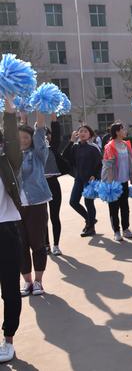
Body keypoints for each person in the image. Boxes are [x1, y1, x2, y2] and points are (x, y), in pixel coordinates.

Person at [17, 110, 52, 297]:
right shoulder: (10, 156)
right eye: (19, 137)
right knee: (20, 245)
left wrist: (40, 108)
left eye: (26, 137)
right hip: (15, 207)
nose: (23, 140)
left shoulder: (38, 154)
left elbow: (39, 133)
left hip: (37, 203)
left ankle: (38, 282)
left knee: (37, 244)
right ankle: (27, 281)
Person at [0, 96, 24, 363]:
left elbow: (13, 140)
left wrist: (9, 107)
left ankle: (8, 340)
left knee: (9, 288)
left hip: (6, 229)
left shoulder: (8, 162)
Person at [63, 125, 102, 237]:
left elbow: (100, 164)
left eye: (85, 131)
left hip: (89, 180)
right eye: (81, 131)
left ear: (89, 134)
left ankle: (91, 228)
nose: (83, 133)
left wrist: (95, 175)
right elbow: (65, 156)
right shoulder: (75, 147)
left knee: (89, 203)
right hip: (79, 179)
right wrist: (71, 141)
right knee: (73, 202)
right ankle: (90, 220)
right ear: (77, 134)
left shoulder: (94, 147)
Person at [102, 122, 132, 242]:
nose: (125, 131)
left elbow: (130, 162)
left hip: (124, 181)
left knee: (125, 206)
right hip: (113, 183)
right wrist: (110, 183)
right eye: (123, 129)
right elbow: (108, 166)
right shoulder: (110, 146)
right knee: (113, 208)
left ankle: (126, 229)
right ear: (117, 131)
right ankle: (116, 231)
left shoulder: (125, 144)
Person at [43, 113, 69, 256]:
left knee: (54, 216)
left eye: (48, 135)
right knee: (43, 218)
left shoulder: (53, 148)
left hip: (53, 184)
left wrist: (53, 114)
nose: (46, 137)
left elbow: (57, 131)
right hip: (40, 186)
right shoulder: (35, 151)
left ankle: (56, 245)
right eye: (43, 135)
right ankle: (46, 244)